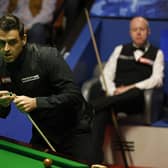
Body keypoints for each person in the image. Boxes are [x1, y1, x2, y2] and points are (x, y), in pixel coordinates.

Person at [0, 14, 98, 164]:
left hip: (73, 129)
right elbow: (3, 113)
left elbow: (73, 95)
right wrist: (3, 104)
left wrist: (37, 103)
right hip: (43, 130)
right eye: (1, 43)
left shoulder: (47, 56)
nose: (6, 49)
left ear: (24, 39)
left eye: (12, 42)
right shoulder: (1, 65)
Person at [90, 16, 164, 162]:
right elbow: (106, 75)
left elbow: (157, 80)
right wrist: (113, 92)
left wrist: (129, 88)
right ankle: (94, 160)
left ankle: (89, 107)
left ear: (148, 32)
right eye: (135, 29)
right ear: (130, 32)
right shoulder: (119, 49)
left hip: (134, 100)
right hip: (114, 98)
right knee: (101, 113)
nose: (138, 33)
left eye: (142, 29)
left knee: (134, 93)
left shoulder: (157, 53)